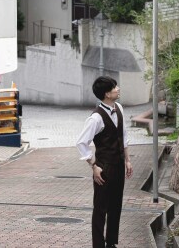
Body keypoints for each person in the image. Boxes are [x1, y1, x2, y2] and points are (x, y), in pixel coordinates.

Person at [76, 76, 133, 248]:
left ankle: (111, 243)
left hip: (119, 165)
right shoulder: (96, 118)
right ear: (107, 94)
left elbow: (123, 137)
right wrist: (93, 166)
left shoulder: (119, 108)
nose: (118, 89)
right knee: (101, 208)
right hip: (104, 168)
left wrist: (128, 161)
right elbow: (81, 142)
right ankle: (98, 245)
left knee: (116, 205)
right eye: (115, 87)